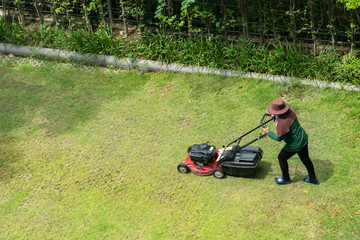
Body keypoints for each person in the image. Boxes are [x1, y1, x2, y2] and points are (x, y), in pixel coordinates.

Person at [263, 99, 319, 185]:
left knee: (281, 157)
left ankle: (286, 179)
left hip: (295, 144)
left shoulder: (282, 124)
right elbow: (284, 117)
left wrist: (268, 132)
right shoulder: (291, 111)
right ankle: (313, 179)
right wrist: (275, 116)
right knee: (305, 159)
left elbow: (279, 138)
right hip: (303, 138)